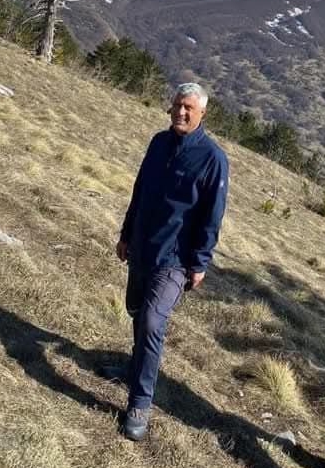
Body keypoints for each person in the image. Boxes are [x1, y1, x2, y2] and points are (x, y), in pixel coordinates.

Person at [104, 82, 229, 441]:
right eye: (177, 105)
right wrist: (126, 233)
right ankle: (136, 369)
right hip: (142, 246)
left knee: (151, 320)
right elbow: (140, 190)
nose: (181, 112)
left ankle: (140, 403)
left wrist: (200, 262)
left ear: (202, 113)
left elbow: (212, 215)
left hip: (175, 259)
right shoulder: (159, 143)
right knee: (135, 310)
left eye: (189, 107)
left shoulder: (212, 158)